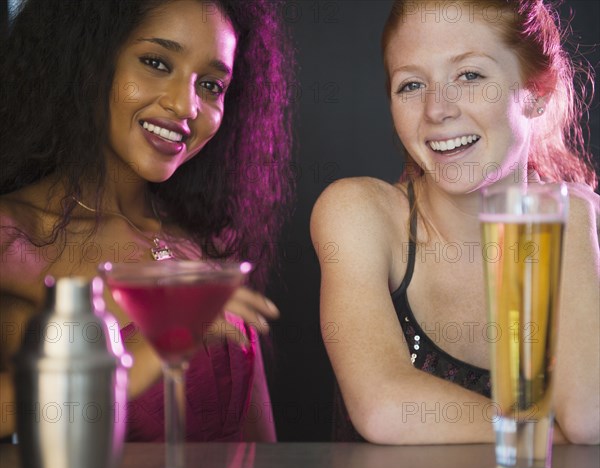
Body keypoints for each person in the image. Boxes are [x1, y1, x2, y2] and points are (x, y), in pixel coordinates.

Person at [0, 0, 294, 442]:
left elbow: (259, 451)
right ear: (89, 60)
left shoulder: (212, 243)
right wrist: (142, 352)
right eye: (156, 62)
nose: (186, 105)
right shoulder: (14, 237)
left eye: (212, 85)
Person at [311, 0, 599, 444]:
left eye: (470, 75)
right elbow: (383, 407)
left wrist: (574, 214)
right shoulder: (358, 213)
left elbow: (589, 419)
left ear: (538, 91)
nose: (436, 110)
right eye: (410, 85)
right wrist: (543, 434)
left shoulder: (585, 235)